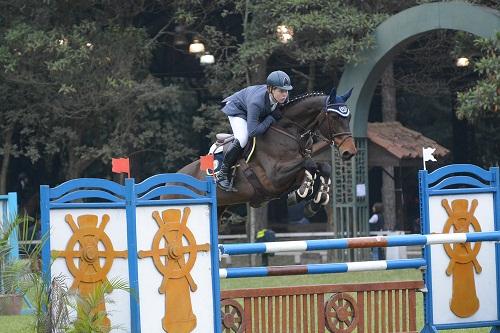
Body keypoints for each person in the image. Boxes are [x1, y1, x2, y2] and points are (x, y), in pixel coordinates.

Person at [217, 70, 293, 191]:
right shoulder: (256, 102)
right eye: (281, 91)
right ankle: (222, 174)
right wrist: (270, 118)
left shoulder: (283, 97)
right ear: (270, 89)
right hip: (238, 109)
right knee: (243, 138)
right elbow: (253, 132)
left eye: (286, 90)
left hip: (253, 109)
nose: (285, 94)